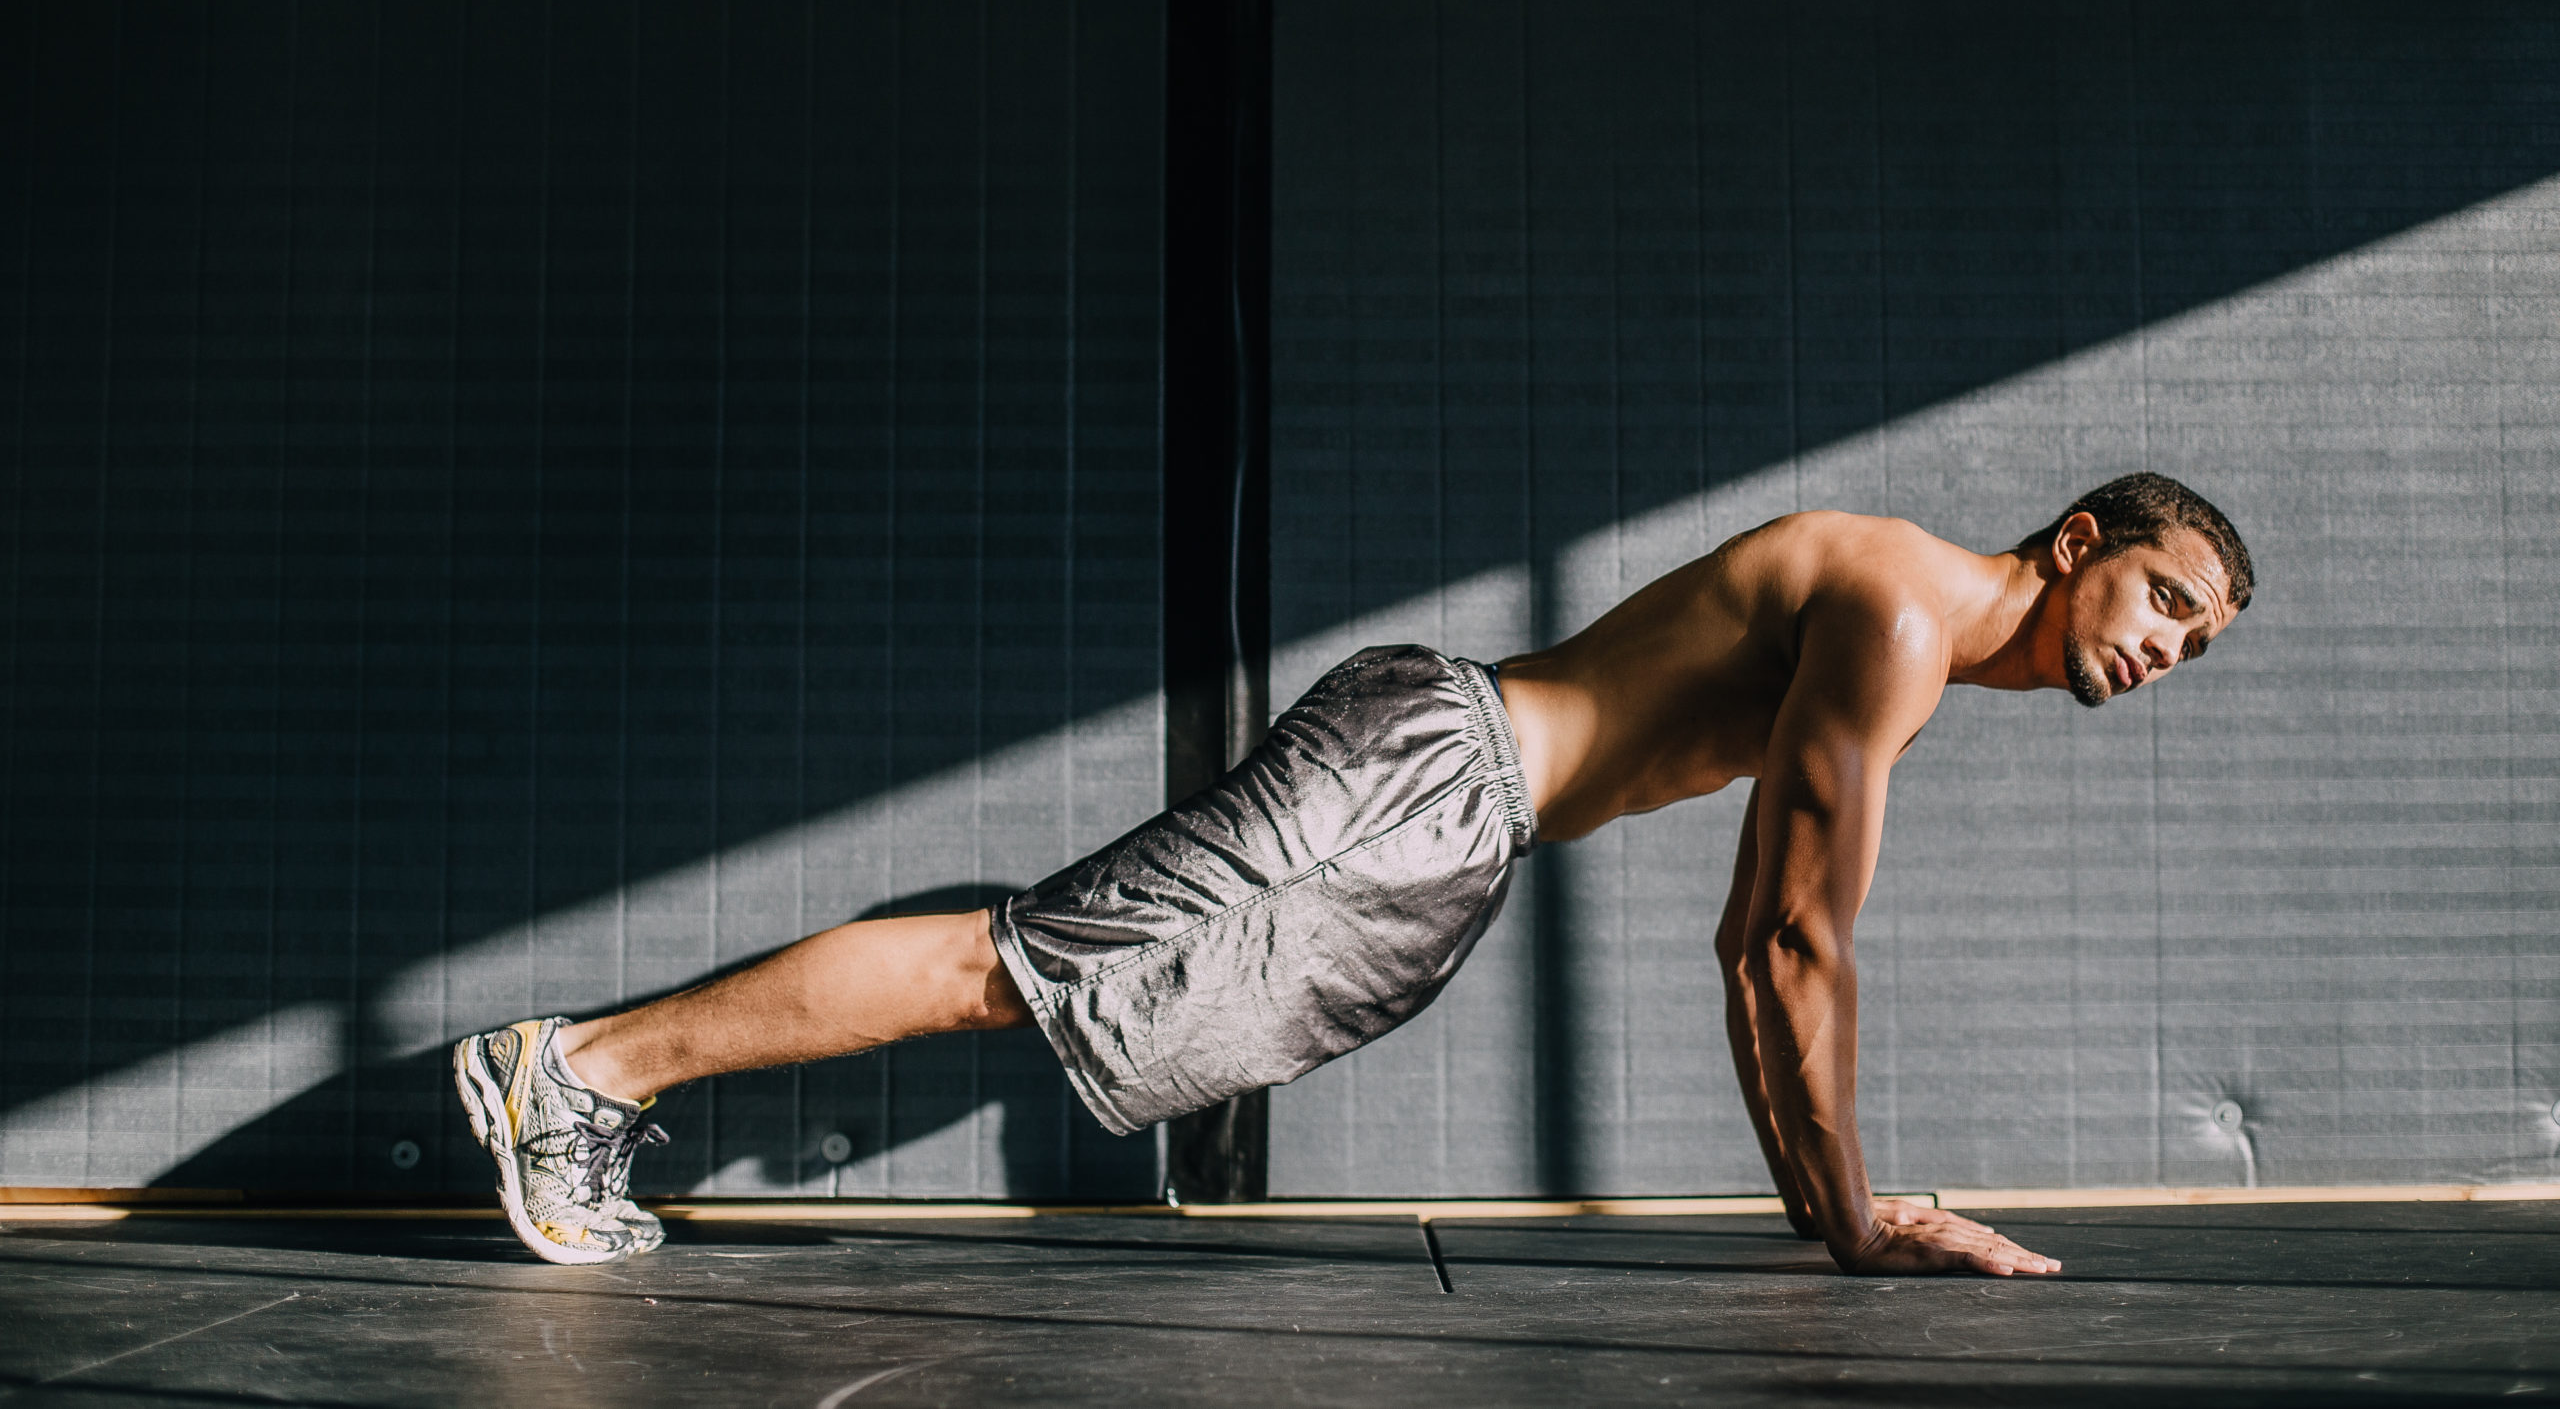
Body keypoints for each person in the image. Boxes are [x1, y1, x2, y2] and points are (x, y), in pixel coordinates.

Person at [454, 470, 2251, 1274]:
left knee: (1039, 979)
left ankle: (589, 1079)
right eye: (2165, 599)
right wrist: (1856, 1224)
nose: (2167, 649)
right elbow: (1788, 939)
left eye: (2199, 644)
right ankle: (581, 1071)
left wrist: (1821, 1215)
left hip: (1455, 823)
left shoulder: (1906, 633)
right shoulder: (1896, 611)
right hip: (1433, 774)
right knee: (1021, 966)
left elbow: (1755, 941)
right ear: (2080, 542)